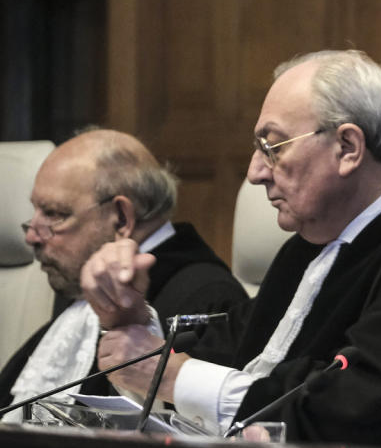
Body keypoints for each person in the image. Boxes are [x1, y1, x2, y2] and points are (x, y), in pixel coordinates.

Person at [82, 50, 381, 443]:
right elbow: (228, 351)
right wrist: (131, 319)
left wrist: (172, 375)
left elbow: (359, 401)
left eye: (273, 146)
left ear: (348, 147)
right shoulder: (303, 249)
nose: (254, 172)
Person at [0, 128, 247, 422]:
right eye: (36, 212)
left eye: (54, 214)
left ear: (121, 218)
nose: (32, 237)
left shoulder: (208, 298)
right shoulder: (83, 285)